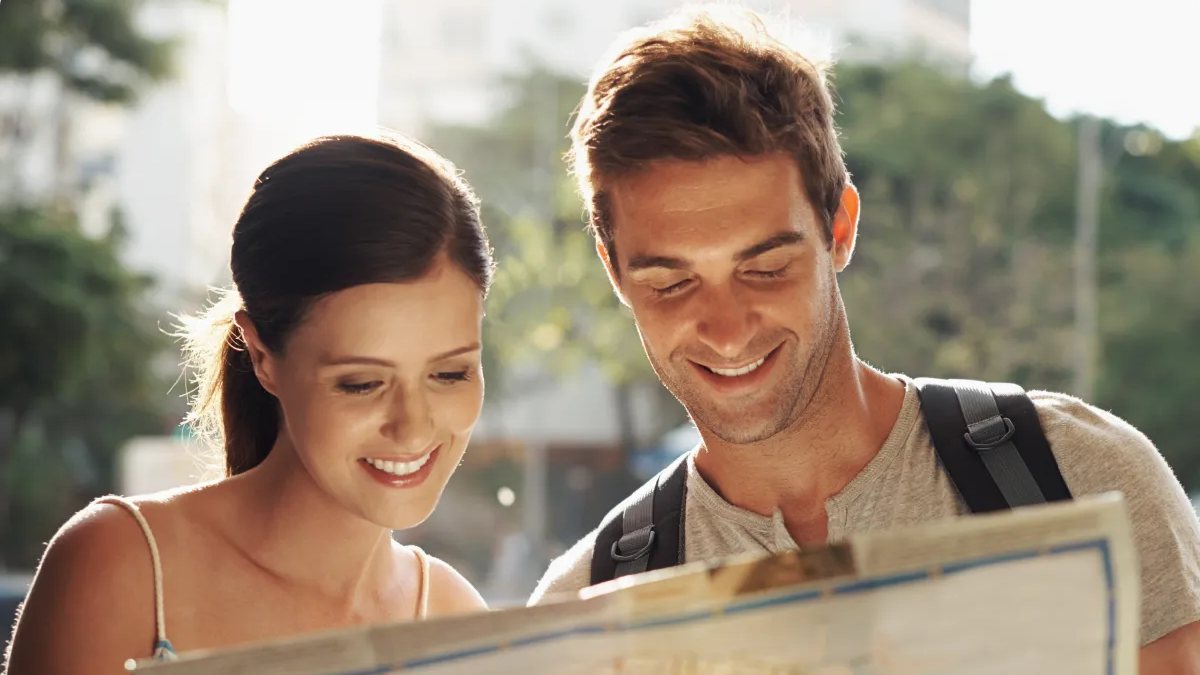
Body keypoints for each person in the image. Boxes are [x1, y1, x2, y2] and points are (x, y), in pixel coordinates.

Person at [528, 9, 1200, 673]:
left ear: (839, 227)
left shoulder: (1079, 479)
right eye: (671, 283)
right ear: (613, 269)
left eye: (765, 268)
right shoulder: (581, 612)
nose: (728, 330)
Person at [4, 134, 493, 674]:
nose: (413, 426)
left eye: (450, 373)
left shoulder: (457, 621)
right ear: (262, 356)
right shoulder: (123, 568)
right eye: (361, 384)